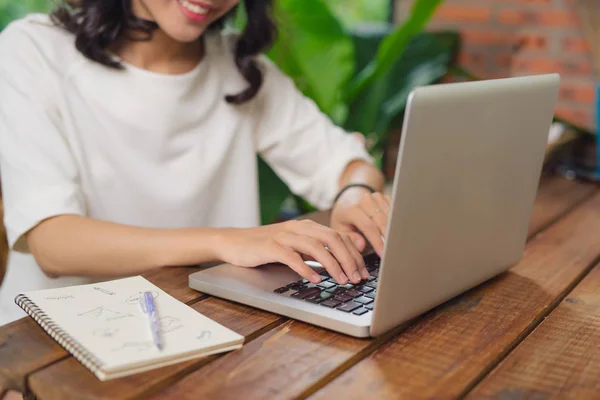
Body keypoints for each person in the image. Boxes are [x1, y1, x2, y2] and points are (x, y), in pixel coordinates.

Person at [0, 0, 390, 326]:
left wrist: (355, 195)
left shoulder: (242, 69)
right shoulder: (32, 50)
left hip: (198, 326)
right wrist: (229, 240)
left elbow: (347, 164)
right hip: (55, 336)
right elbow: (53, 244)